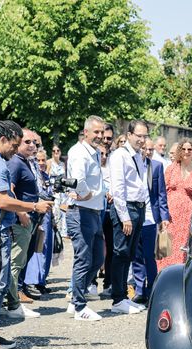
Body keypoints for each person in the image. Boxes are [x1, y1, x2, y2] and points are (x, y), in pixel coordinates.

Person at [0, 120, 52, 349]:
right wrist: (32, 206)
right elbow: (3, 201)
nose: (16, 150)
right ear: (3, 139)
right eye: (14, 145)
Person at [66, 115, 106, 321]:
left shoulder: (94, 153)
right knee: (84, 259)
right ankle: (79, 305)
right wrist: (86, 193)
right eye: (96, 132)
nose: (100, 136)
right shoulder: (80, 152)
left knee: (98, 258)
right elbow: (78, 179)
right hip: (81, 210)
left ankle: (75, 299)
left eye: (102, 132)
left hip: (93, 211)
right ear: (86, 132)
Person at [108, 119, 150, 315]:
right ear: (129, 135)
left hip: (138, 208)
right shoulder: (120, 155)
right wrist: (124, 217)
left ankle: (124, 296)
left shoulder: (138, 155)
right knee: (121, 253)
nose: (142, 140)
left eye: (144, 136)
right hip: (127, 209)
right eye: (138, 136)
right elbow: (118, 188)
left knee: (130, 254)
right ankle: (118, 298)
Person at [2, 128, 42, 317]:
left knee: (20, 261)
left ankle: (11, 302)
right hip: (20, 220)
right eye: (28, 142)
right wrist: (21, 213)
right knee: (15, 263)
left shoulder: (24, 162)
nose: (32, 145)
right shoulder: (15, 163)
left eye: (35, 142)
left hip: (30, 217)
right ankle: (13, 306)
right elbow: (8, 190)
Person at [131, 139, 170, 304]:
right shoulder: (132, 164)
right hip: (134, 217)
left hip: (150, 217)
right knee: (136, 256)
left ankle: (152, 288)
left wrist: (164, 217)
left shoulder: (157, 166)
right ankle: (139, 290)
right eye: (145, 149)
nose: (148, 152)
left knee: (150, 256)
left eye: (151, 150)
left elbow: (161, 194)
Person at [158, 139, 192, 271]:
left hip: (186, 217)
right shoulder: (171, 168)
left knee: (181, 250)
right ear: (179, 151)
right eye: (184, 149)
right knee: (164, 248)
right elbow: (162, 192)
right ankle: (161, 278)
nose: (186, 152)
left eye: (190, 149)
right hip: (169, 215)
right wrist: (162, 214)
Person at [23, 149, 54, 293]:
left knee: (44, 247)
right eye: (38, 160)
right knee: (35, 248)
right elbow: (37, 191)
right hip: (35, 209)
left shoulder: (45, 175)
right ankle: (31, 282)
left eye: (43, 160)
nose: (41, 163)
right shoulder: (28, 168)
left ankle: (40, 280)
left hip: (46, 211)